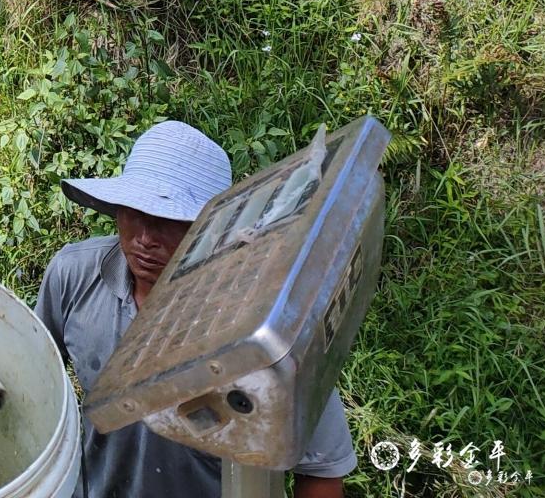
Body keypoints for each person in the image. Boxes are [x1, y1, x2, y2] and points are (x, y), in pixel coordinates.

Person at [35, 121, 356, 498]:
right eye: (135, 213)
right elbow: (32, 380)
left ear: (212, 229)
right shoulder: (74, 276)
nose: (145, 239)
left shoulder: (264, 322)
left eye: (168, 221)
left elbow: (321, 471)